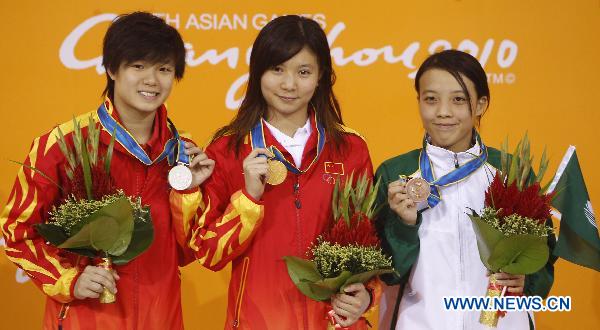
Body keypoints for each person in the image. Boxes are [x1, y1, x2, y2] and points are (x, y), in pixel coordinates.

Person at [0, 12, 214, 329]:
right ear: (112, 69)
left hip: (162, 317)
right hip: (85, 318)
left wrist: (188, 191)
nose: (152, 80)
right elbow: (16, 233)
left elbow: (186, 252)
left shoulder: (183, 154)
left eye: (164, 69)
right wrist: (67, 279)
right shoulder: (62, 145)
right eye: (138, 66)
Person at [171, 15, 376, 329]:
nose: (289, 84)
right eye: (277, 69)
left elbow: (369, 245)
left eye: (303, 72)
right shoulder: (228, 150)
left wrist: (367, 295)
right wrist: (249, 197)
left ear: (322, 76)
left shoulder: (350, 149)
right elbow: (210, 254)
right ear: (257, 73)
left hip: (333, 323)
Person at [375, 49, 556, 329]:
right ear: (419, 101)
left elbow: (544, 260)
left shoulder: (512, 172)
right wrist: (403, 225)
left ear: (481, 104)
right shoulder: (395, 173)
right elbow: (388, 274)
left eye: (458, 100)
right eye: (431, 99)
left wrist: (527, 280)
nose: (443, 112)